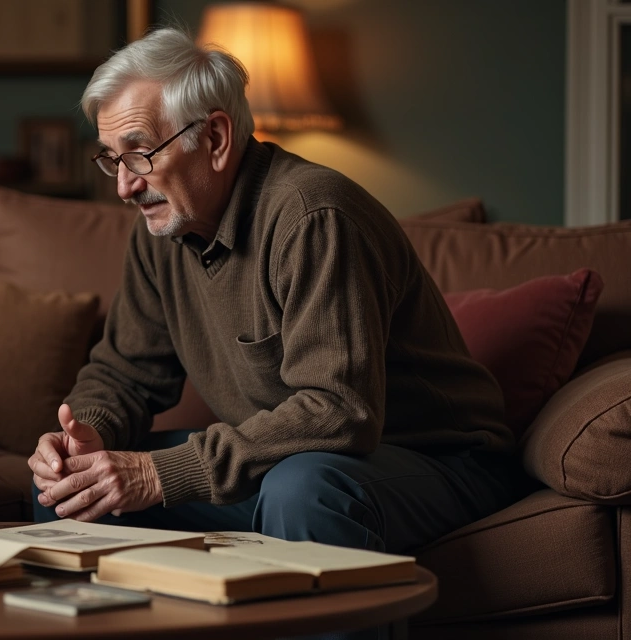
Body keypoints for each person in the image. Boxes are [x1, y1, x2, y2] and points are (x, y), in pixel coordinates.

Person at [30, 27, 526, 561]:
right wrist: (87, 436)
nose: (125, 185)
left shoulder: (313, 215)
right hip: (285, 462)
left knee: (306, 490)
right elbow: (124, 372)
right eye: (111, 159)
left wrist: (159, 473)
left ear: (216, 139)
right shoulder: (163, 229)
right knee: (71, 493)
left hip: (433, 460)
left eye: (140, 153)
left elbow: (339, 410)